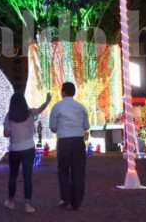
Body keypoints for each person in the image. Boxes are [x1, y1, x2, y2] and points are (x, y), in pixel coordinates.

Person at [3, 91, 51, 213]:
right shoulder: (29, 113)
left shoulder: (9, 116)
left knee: (13, 176)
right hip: (28, 147)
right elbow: (40, 109)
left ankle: (11, 201)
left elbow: (6, 134)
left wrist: (13, 130)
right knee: (27, 176)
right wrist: (47, 100)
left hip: (14, 148)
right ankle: (28, 204)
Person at [49, 82, 90, 211]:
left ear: (63, 92)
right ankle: (76, 202)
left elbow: (53, 127)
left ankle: (65, 198)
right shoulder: (81, 107)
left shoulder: (57, 107)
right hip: (78, 141)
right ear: (74, 92)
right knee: (78, 171)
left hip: (63, 141)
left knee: (63, 170)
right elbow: (87, 126)